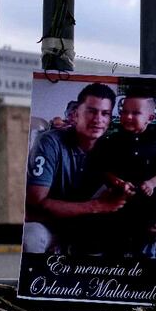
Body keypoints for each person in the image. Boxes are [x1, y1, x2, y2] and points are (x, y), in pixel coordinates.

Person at [23, 82, 129, 254]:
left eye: (105, 113)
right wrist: (96, 206)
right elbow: (37, 202)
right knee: (31, 237)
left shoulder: (113, 146)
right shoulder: (50, 142)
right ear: (75, 114)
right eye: (91, 111)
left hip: (86, 228)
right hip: (49, 224)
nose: (98, 119)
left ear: (110, 119)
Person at [89, 93, 156, 258]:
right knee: (114, 252)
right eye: (124, 111)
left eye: (135, 113)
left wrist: (151, 183)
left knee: (145, 255)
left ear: (149, 117)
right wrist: (117, 182)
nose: (128, 116)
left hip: (147, 210)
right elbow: (101, 169)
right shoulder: (110, 141)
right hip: (117, 210)